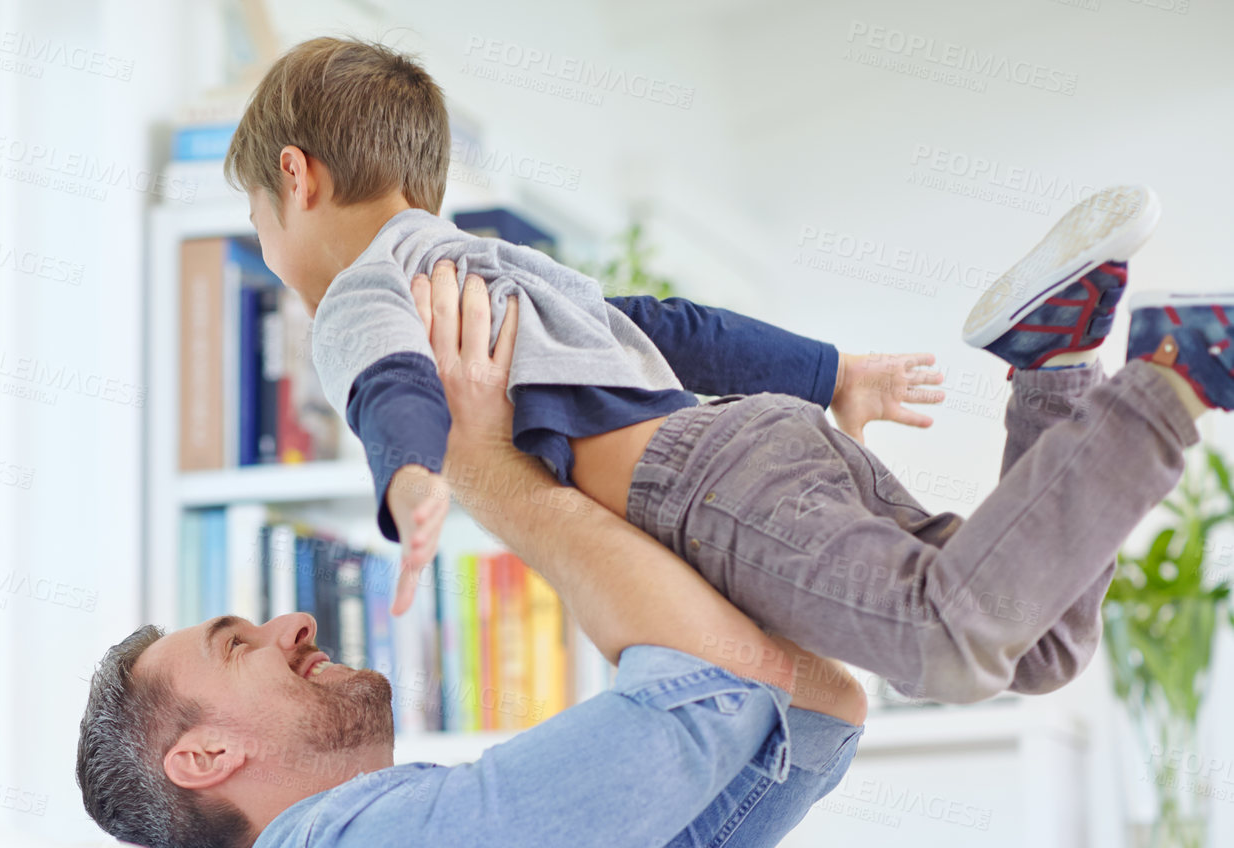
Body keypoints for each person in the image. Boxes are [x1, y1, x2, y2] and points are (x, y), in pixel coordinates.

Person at [76, 269, 1233, 848]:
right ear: (204, 753)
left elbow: (814, 708)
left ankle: (1061, 368)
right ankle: (1149, 381)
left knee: (1008, 641)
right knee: (974, 630)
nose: (293, 626)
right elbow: (720, 690)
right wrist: (493, 475)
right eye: (239, 644)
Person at [223, 36, 1229, 703]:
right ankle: (1054, 364)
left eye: (258, 225)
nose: (270, 243)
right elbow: (673, 323)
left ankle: (1169, 380)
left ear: (295, 177)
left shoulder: (360, 288)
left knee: (944, 639)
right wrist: (827, 371)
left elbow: (388, 382)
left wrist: (407, 475)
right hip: (759, 442)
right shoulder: (502, 261)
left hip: (706, 486)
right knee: (1037, 646)